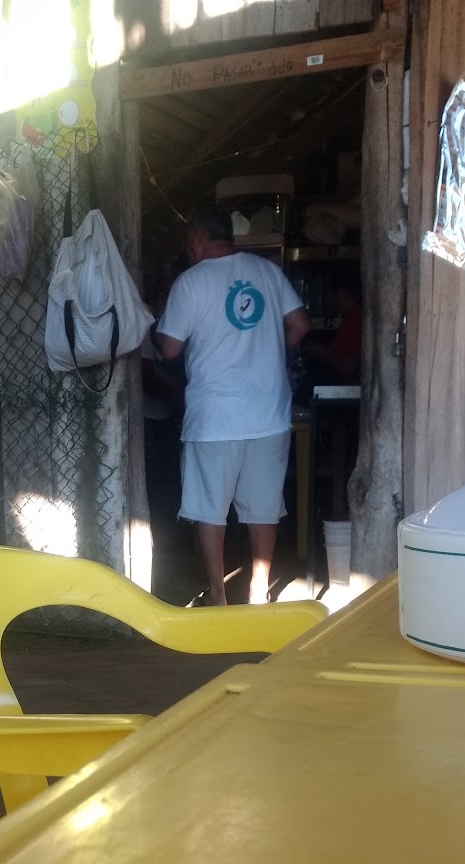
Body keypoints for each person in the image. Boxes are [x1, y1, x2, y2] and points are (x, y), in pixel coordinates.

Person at [154, 208, 310, 605]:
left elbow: (169, 347)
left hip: (215, 416)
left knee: (210, 508)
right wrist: (267, 355)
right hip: (268, 412)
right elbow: (299, 326)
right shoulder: (268, 272)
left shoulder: (190, 282)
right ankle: (258, 592)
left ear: (196, 238)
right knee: (263, 507)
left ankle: (219, 598)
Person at [305, 270, 364, 386]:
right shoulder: (352, 317)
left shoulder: (356, 319)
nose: (334, 300)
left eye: (337, 294)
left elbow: (348, 366)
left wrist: (321, 352)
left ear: (350, 294)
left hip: (350, 390)